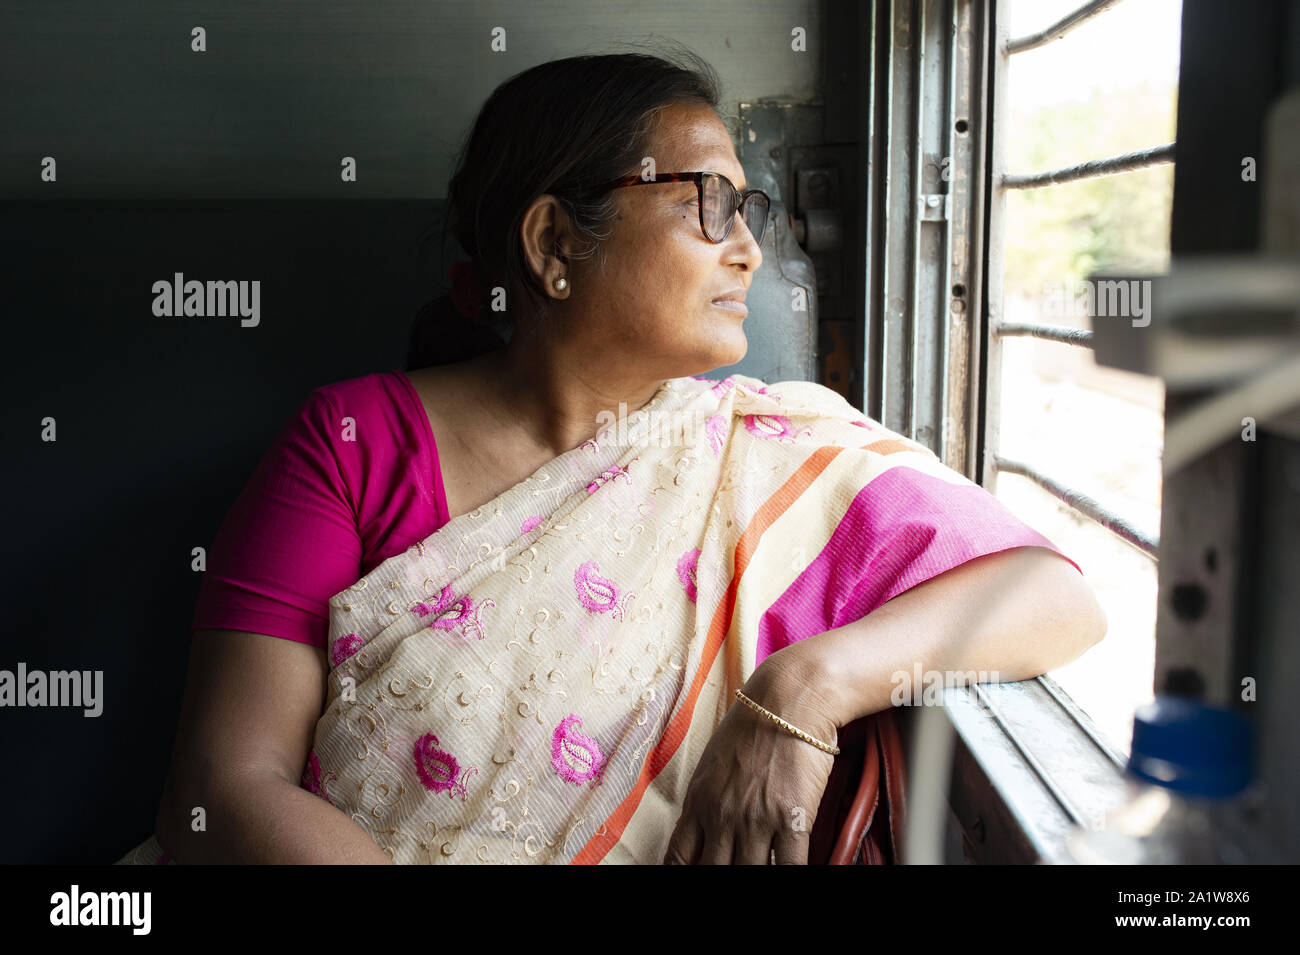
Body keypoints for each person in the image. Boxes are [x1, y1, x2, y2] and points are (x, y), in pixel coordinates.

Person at [127, 48, 1106, 866]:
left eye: (748, 212)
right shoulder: (351, 443)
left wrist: (801, 688)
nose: (749, 255)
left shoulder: (768, 450)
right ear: (554, 240)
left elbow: (1055, 598)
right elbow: (222, 789)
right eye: (708, 205)